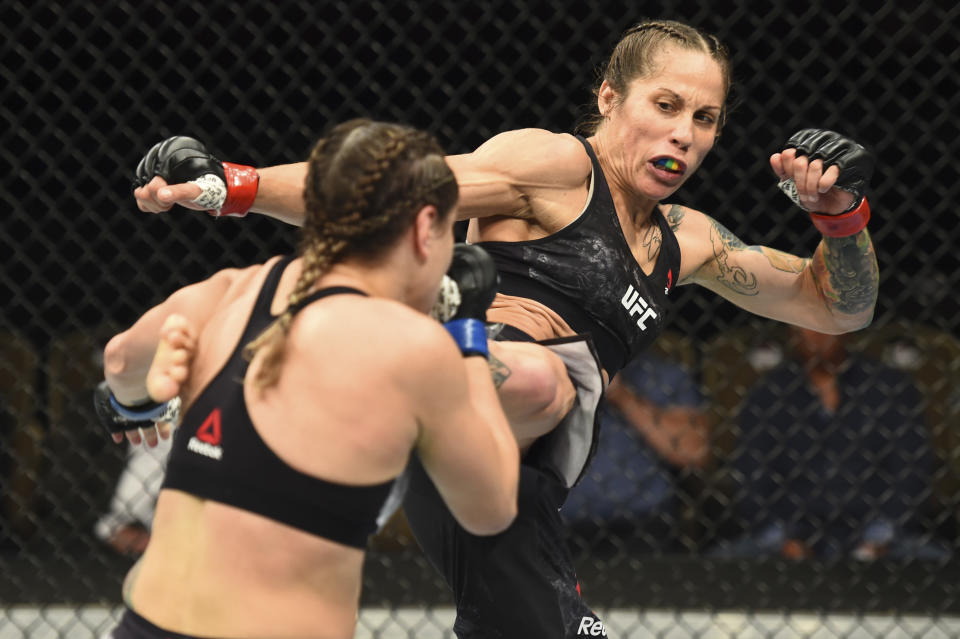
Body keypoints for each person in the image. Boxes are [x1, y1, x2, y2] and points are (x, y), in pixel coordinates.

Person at [131, 19, 879, 638]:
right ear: (611, 98)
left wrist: (839, 216)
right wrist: (230, 185)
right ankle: (376, 390)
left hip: (522, 481)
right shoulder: (556, 165)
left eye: (705, 118)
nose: (684, 134)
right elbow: (397, 191)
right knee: (540, 379)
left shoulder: (691, 240)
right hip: (474, 399)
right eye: (666, 105)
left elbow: (836, 306)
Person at [95, 119, 522, 639]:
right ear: (424, 225)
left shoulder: (232, 291)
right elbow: (491, 509)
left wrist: (135, 407)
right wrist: (467, 335)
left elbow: (120, 360)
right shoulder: (414, 348)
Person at [711, 326, 949, 562]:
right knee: (717, 565)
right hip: (792, 530)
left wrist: (880, 537)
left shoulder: (888, 386)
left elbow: (911, 472)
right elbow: (751, 475)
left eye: (826, 320)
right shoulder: (768, 392)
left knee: (942, 567)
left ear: (847, 326)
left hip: (876, 531)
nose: (817, 332)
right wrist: (783, 540)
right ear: (792, 331)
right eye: (806, 323)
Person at [561, 349, 710, 553]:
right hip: (561, 520)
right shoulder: (545, 367)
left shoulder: (664, 375)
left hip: (643, 522)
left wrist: (621, 395)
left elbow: (693, 453)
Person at [94, 436, 170, 556]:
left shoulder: (126, 504)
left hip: (158, 440)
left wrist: (128, 540)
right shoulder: (150, 521)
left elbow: (103, 527)